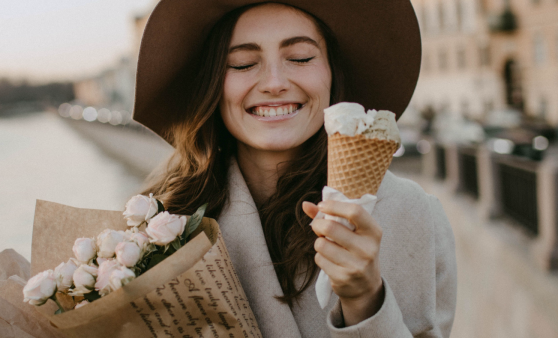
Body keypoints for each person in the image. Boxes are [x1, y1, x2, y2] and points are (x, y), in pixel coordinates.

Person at [134, 1, 457, 337]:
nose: (274, 83)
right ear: (213, 85)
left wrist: (365, 300)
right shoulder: (163, 221)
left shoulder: (413, 215)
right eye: (242, 63)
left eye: (301, 58)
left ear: (333, 71)